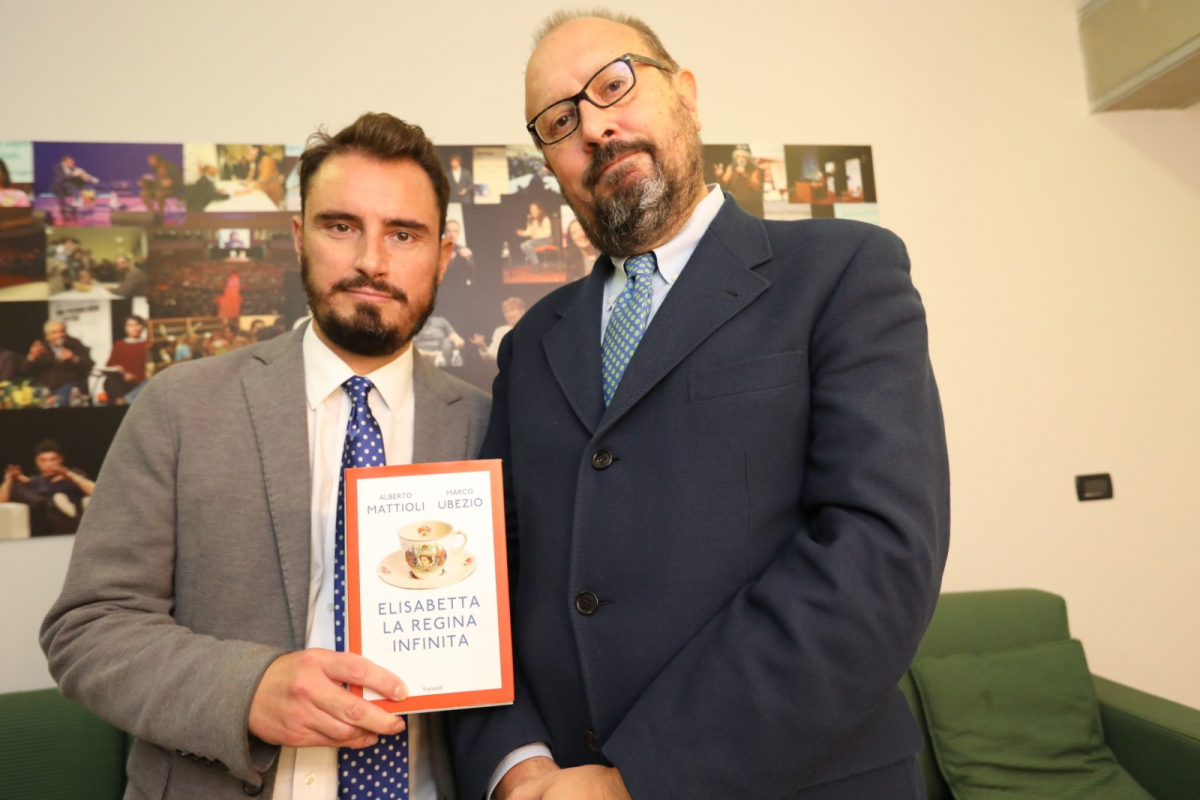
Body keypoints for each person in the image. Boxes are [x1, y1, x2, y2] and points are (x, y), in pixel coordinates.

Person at [451, 11, 949, 800]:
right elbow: (488, 581)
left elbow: (877, 559)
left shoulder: (843, 270)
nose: (595, 127)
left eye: (614, 84)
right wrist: (516, 766)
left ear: (685, 93)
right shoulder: (533, 343)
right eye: (559, 121)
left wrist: (636, 780)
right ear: (549, 162)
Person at [41, 111, 489, 800]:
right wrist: (247, 689)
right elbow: (88, 628)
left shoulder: (487, 426)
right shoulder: (180, 406)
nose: (372, 261)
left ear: (443, 254)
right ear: (299, 237)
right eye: (341, 226)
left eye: (404, 234)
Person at [0, 440, 94, 535]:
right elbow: (1, 501)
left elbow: (96, 493)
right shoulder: (34, 481)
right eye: (43, 460)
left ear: (61, 459)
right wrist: (9, 480)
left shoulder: (74, 473)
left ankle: (57, 505)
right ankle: (52, 504)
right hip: (43, 521)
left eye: (53, 459)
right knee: (19, 487)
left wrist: (70, 475)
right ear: (37, 461)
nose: (48, 464)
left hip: (71, 520)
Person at [22, 320, 94, 407]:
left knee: (60, 401)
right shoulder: (40, 347)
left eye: (62, 331)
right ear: (47, 336)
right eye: (54, 333)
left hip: (68, 384)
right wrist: (31, 357)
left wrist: (74, 358)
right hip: (43, 386)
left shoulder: (74, 344)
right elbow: (24, 370)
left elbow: (89, 364)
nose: (60, 335)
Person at [104, 314, 149, 404]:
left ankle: (125, 400)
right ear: (125, 328)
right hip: (122, 380)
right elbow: (110, 364)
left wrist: (135, 376)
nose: (135, 328)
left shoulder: (147, 344)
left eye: (137, 324)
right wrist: (123, 372)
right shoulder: (119, 345)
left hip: (141, 381)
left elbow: (149, 366)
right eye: (131, 325)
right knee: (111, 379)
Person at [713, 145, 764, 217]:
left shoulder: (754, 169)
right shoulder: (732, 167)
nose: (741, 159)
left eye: (743, 157)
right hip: (737, 202)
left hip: (752, 203)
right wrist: (719, 175)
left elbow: (756, 188)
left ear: (748, 158)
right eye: (738, 156)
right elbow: (723, 185)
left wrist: (744, 174)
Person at [470, 297, 526, 362]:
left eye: (512, 310)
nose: (509, 314)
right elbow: (492, 356)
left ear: (522, 311)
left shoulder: (532, 328)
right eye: (506, 312)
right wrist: (482, 346)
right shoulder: (500, 331)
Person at [50, 154, 99, 222]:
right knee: (70, 188)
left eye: (72, 163)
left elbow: (79, 176)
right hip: (60, 187)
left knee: (81, 185)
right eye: (70, 162)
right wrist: (73, 174)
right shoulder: (57, 167)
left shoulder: (73, 168)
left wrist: (90, 178)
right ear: (65, 162)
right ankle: (69, 209)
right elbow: (61, 178)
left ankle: (76, 204)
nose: (72, 164)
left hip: (70, 187)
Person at [139, 152, 184, 222]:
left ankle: (160, 214)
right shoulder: (154, 168)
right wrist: (144, 183)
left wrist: (171, 182)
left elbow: (179, 179)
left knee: (159, 194)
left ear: (156, 160)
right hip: (157, 189)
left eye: (151, 160)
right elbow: (153, 180)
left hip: (170, 190)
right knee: (143, 193)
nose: (149, 162)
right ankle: (152, 212)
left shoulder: (171, 166)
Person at [515, 201, 552, 267]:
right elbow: (529, 231)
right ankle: (536, 264)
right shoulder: (530, 219)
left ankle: (536, 265)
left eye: (534, 209)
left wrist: (536, 234)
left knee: (528, 244)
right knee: (522, 245)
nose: (532, 211)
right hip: (535, 240)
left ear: (539, 210)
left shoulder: (545, 219)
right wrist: (522, 233)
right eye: (531, 209)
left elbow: (548, 233)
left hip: (546, 240)